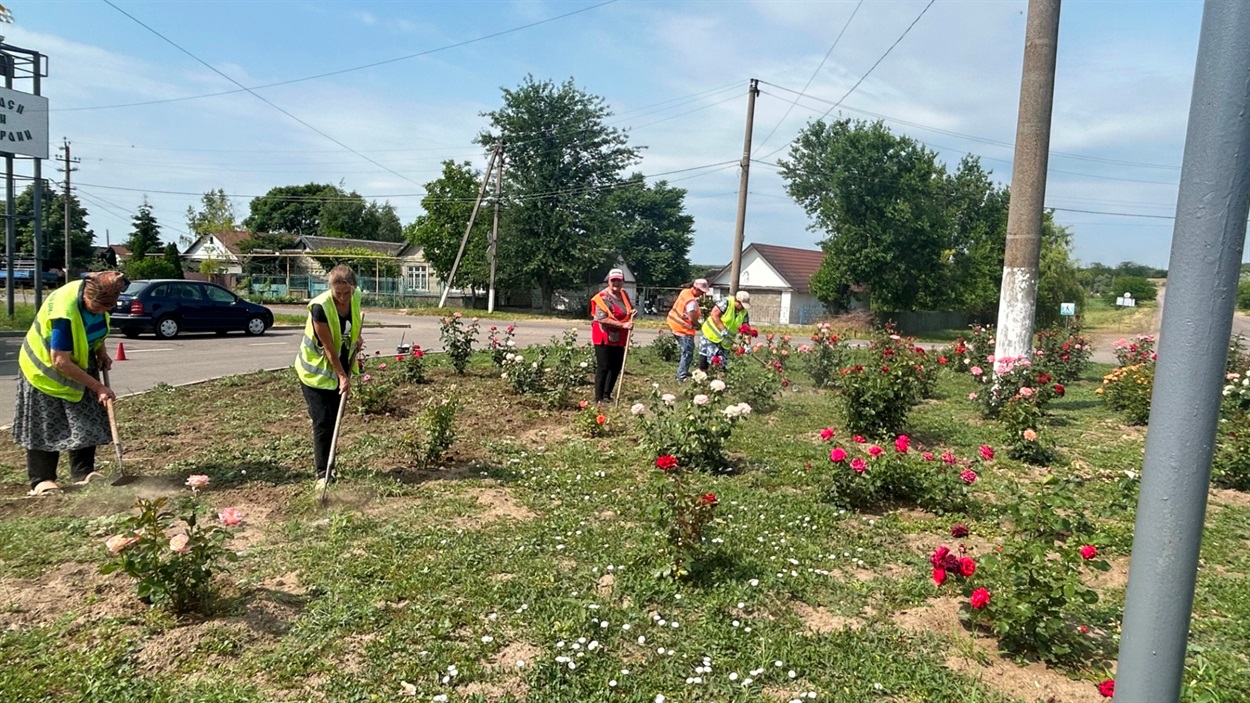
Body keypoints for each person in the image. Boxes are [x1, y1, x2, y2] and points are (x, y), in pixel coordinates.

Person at [15, 271, 127, 495]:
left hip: (78, 365)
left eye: (108, 307)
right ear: (86, 297)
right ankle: (42, 480)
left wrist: (101, 351)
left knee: (86, 417)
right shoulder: (63, 314)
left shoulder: (97, 296)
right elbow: (60, 361)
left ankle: (83, 473)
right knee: (46, 424)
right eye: (98, 307)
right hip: (45, 371)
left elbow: (93, 329)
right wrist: (98, 387)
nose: (103, 311)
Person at [295, 265, 362, 490]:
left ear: (353, 288)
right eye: (338, 293)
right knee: (322, 421)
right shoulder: (320, 308)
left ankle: (330, 465)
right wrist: (343, 377)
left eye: (347, 293)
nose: (343, 298)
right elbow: (328, 347)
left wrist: (357, 337)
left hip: (337, 368)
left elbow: (353, 319)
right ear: (330, 289)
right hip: (314, 372)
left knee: (334, 420)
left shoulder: (356, 296)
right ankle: (322, 475)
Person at [590, 268, 635, 404]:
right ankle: (599, 399)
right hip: (604, 335)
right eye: (613, 280)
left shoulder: (623, 294)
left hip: (619, 337)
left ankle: (607, 394)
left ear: (623, 282)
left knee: (616, 366)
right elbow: (601, 318)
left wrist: (632, 312)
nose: (616, 283)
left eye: (619, 280)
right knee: (604, 366)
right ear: (608, 281)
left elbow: (627, 309)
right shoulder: (602, 298)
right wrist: (623, 325)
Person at [665, 278, 710, 381]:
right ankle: (681, 376)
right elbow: (692, 319)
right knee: (688, 353)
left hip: (674, 324)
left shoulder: (685, 292)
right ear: (696, 289)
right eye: (701, 292)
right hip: (683, 330)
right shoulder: (691, 302)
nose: (702, 294)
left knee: (685, 352)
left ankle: (683, 370)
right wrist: (700, 326)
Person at [698, 290, 751, 371]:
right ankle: (702, 377)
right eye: (741, 305)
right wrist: (723, 329)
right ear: (736, 301)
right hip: (710, 335)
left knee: (721, 363)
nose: (743, 307)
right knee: (705, 359)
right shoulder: (726, 302)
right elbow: (714, 314)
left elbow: (746, 328)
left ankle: (718, 379)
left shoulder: (744, 312)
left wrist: (747, 345)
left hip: (725, 341)